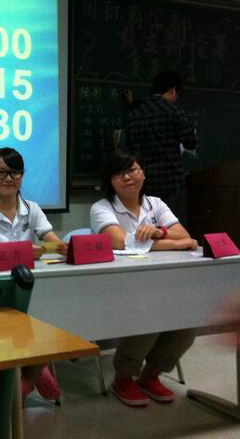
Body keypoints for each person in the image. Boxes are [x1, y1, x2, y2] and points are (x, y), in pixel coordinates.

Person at [90, 149, 198, 407]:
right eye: (118, 173)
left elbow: (184, 234)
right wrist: (176, 243)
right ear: (110, 181)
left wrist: (159, 232)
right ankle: (123, 379)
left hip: (162, 283)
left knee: (188, 321)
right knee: (149, 312)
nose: (127, 177)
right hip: (119, 287)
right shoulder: (102, 207)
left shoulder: (156, 204)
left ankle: (150, 376)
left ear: (143, 173)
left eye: (132, 170)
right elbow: (120, 242)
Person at [0, 147, 65, 403]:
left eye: (14, 173)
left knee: (51, 318)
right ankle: (36, 369)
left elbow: (52, 240)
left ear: (22, 175)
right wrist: (23, 252)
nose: (8, 179)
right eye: (1, 173)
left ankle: (30, 376)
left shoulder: (32, 208)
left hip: (31, 284)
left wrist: (61, 247)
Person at [122, 71, 198, 226]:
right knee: (174, 230)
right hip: (171, 183)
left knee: (147, 231)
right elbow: (191, 143)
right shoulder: (173, 112)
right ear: (173, 90)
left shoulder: (135, 114)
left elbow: (126, 149)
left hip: (143, 184)